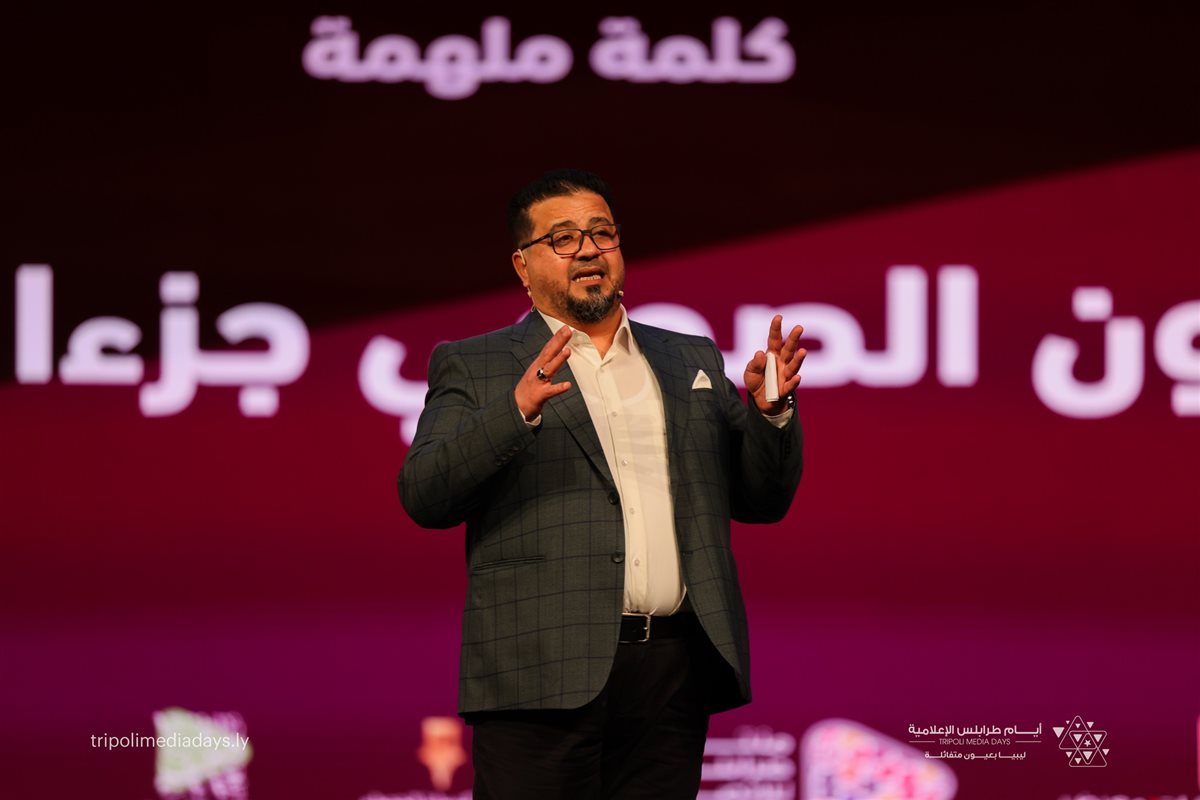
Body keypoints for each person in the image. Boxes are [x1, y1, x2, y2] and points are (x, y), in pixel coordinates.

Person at [398, 169, 805, 799]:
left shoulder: (688, 358)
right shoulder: (477, 363)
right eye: (562, 239)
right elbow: (425, 495)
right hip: (539, 668)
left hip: (673, 670)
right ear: (523, 266)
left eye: (602, 233)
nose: (588, 249)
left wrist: (771, 413)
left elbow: (762, 500)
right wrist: (516, 412)